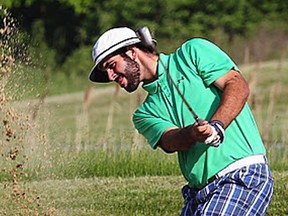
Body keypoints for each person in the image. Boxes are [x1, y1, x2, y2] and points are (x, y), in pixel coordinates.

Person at [88, 26, 273, 215]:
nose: (111, 76)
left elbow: (236, 85)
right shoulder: (144, 114)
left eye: (112, 66)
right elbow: (170, 141)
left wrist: (217, 125)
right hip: (197, 194)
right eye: (106, 72)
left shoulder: (193, 52)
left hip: (241, 175)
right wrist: (192, 133)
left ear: (132, 52)